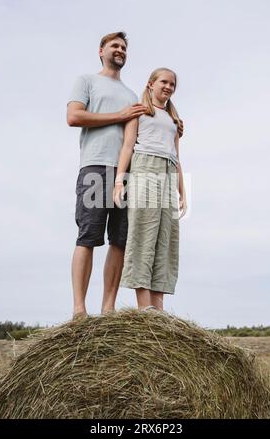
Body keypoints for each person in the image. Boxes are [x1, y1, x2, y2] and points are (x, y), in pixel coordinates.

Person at [67, 32, 148, 318]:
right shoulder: (86, 81)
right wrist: (121, 115)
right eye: (115, 45)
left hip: (125, 173)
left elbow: (138, 134)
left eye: (124, 47)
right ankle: (79, 310)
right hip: (94, 166)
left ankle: (108, 309)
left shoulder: (132, 95)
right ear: (101, 51)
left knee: (120, 240)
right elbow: (74, 117)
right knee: (88, 235)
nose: (120, 50)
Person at [113, 68, 187, 310]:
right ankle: (144, 309)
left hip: (168, 171)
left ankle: (158, 310)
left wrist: (182, 191)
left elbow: (177, 156)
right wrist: (118, 181)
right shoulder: (140, 111)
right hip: (145, 167)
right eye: (164, 82)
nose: (168, 87)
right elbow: (127, 148)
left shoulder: (175, 120)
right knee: (144, 234)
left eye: (172, 84)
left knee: (165, 239)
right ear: (151, 84)